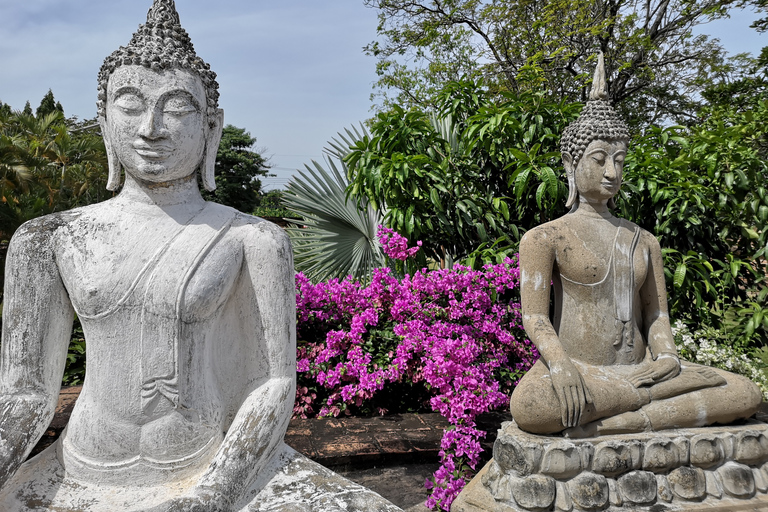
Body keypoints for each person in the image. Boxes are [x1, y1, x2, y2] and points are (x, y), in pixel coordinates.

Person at [0, 2, 400, 511]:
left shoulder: (252, 238)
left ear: (212, 126)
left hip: (208, 465)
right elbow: (24, 394)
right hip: (82, 464)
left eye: (177, 107)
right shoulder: (48, 238)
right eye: (129, 104)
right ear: (104, 121)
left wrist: (215, 492)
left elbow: (273, 381)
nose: (152, 128)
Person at [509, 54, 762, 438]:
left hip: (644, 369)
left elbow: (656, 315)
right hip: (583, 371)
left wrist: (667, 357)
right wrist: (560, 365)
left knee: (745, 393)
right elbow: (535, 318)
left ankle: (628, 419)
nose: (612, 172)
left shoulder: (644, 240)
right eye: (599, 159)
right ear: (569, 164)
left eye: (620, 160)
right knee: (531, 406)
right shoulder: (545, 237)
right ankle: (647, 404)